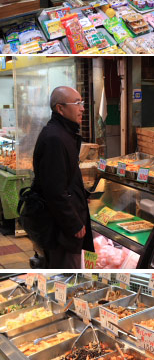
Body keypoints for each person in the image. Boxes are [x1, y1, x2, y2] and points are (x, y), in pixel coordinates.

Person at [32, 86, 94, 269]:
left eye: (82, 103)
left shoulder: (64, 133)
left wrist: (83, 195)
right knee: (67, 273)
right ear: (60, 108)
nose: (82, 108)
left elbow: (66, 178)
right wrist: (74, 223)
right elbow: (54, 189)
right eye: (77, 103)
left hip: (64, 224)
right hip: (60, 230)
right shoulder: (55, 139)